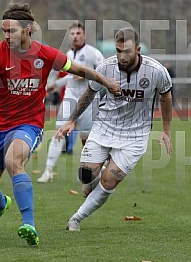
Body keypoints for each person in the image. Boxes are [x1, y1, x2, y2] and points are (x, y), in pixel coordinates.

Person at [0, 0, 121, 246]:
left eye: (11, 31)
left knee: (14, 160)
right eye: (3, 30)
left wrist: (106, 82)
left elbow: (79, 70)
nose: (5, 35)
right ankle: (1, 204)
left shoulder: (45, 53)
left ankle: (28, 223)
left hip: (29, 125)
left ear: (27, 30)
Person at [55, 27, 173, 231]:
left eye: (126, 51)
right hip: (104, 127)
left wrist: (166, 129)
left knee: (109, 181)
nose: (121, 56)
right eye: (118, 51)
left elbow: (166, 96)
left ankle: (76, 218)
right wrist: (71, 120)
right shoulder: (106, 67)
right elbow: (89, 93)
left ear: (137, 50)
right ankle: (96, 174)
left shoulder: (156, 71)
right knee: (85, 176)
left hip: (135, 135)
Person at [37, 22, 104, 183]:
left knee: (86, 139)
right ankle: (47, 170)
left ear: (84, 36)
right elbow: (68, 77)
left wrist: (86, 75)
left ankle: (93, 169)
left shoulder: (93, 53)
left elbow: (104, 75)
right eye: (72, 34)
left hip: (89, 100)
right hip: (70, 98)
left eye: (78, 33)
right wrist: (55, 85)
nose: (75, 36)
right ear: (69, 36)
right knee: (59, 132)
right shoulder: (67, 54)